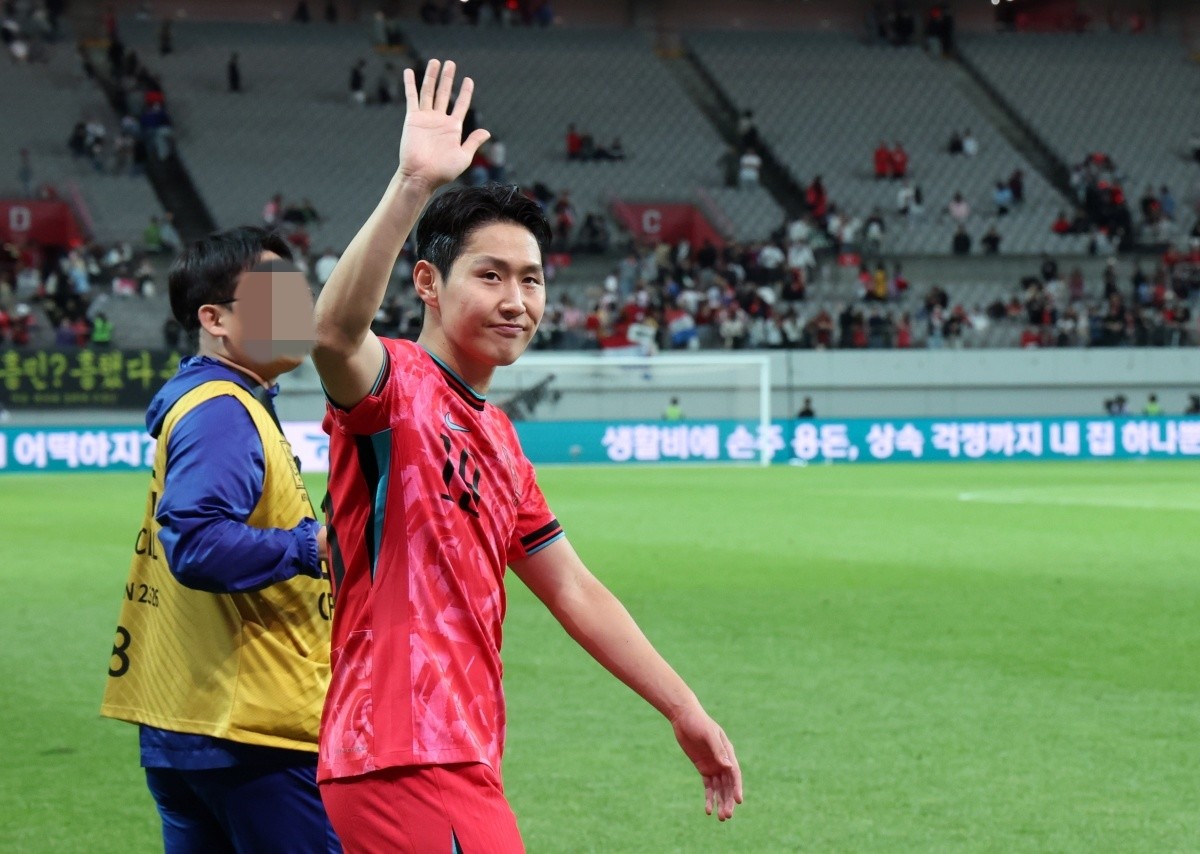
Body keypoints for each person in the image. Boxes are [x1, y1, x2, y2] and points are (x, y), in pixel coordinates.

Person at [310, 59, 742, 851]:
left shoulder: (501, 442)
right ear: (429, 284)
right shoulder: (395, 386)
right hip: (399, 756)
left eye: (533, 280)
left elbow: (574, 589)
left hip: (461, 756)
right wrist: (411, 185)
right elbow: (333, 335)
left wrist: (685, 708)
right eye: (492, 275)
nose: (517, 299)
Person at [100, 228, 339, 853]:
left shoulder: (222, 403)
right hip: (251, 732)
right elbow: (198, 544)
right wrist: (312, 547)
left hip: (192, 720)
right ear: (215, 318)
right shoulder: (223, 409)